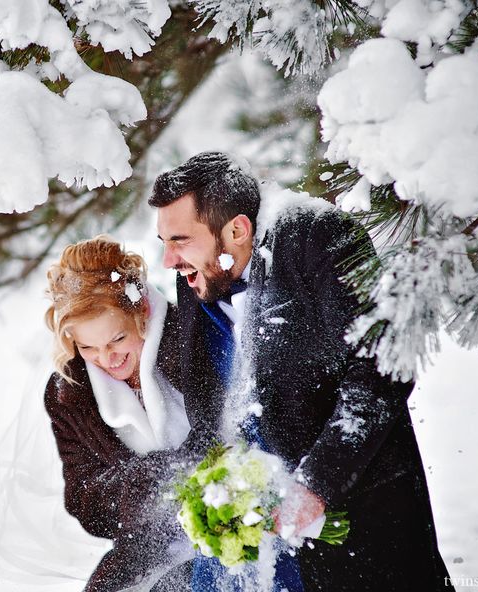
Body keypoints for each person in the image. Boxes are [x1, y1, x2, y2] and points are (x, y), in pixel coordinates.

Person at [148, 152, 453, 591]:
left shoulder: (321, 239)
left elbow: (382, 370)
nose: (168, 260)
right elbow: (213, 398)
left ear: (238, 229)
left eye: (178, 240)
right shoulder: (197, 274)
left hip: (357, 525)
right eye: (164, 241)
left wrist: (314, 485)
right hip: (255, 547)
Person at [41, 235, 196, 591]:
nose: (108, 359)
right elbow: (85, 502)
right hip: (146, 548)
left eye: (117, 340)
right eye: (88, 347)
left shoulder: (191, 339)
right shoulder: (69, 395)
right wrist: (155, 480)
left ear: (141, 312)